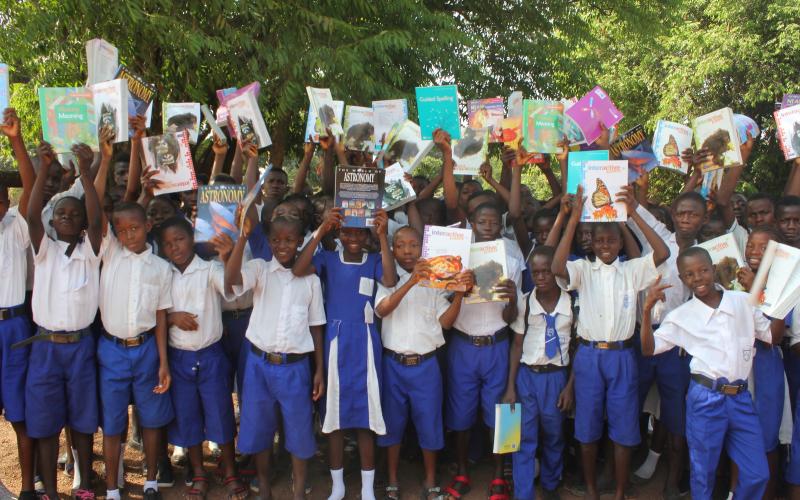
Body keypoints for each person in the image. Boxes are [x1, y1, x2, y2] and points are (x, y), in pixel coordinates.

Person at [552, 185, 670, 500]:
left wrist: (632, 214)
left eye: (611, 240)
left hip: (622, 355)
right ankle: (592, 490)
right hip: (589, 355)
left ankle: (619, 493)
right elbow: (556, 267)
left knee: (624, 428)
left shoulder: (631, 270)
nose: (605, 245)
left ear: (620, 242)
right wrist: (573, 220)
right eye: (599, 240)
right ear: (591, 243)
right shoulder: (582, 269)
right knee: (587, 428)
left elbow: (662, 253)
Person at [640, 247, 784, 500]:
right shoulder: (681, 316)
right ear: (682, 279)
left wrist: (777, 303)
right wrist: (646, 310)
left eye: (703, 270)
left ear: (713, 269)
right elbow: (649, 349)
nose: (698, 278)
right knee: (702, 473)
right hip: (706, 398)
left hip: (740, 397)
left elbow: (773, 337)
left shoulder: (743, 301)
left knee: (757, 473)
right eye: (689, 274)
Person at [292, 206, 397, 500]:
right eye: (347, 232)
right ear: (338, 233)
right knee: (335, 419)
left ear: (367, 235)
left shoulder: (374, 260)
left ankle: (367, 488)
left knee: (366, 418)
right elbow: (298, 269)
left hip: (365, 342)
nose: (353, 238)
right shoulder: (328, 258)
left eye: (359, 233)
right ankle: (337, 486)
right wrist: (321, 230)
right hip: (335, 341)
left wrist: (383, 236)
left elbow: (390, 280)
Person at [222, 214, 325, 500]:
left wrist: (319, 369)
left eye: (289, 240)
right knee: (259, 428)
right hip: (259, 364)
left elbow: (316, 326)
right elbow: (231, 280)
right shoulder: (260, 269)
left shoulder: (311, 281)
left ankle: (298, 491)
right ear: (268, 242)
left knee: (299, 430)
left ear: (300, 241)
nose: (282, 245)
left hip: (295, 368)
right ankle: (264, 488)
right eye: (276, 240)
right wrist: (243, 237)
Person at [25, 142, 103, 500]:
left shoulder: (91, 251)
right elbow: (31, 215)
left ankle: (84, 485)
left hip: (80, 346)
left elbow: (97, 219)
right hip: (46, 348)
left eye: (74, 213)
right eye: (61, 214)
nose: (68, 217)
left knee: (83, 421)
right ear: (52, 221)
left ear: (83, 221)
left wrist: (86, 172)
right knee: (45, 423)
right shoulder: (44, 250)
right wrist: (43, 168)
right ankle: (51, 492)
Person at [374, 226, 472, 500]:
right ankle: (393, 480)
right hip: (393, 363)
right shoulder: (388, 278)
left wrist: (460, 293)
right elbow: (382, 309)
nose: (407, 251)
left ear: (423, 249)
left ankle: (430, 480)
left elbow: (447, 323)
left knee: (429, 422)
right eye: (400, 245)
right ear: (392, 250)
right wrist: (410, 282)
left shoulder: (436, 282)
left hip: (426, 365)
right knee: (392, 424)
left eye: (414, 245)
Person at [157, 216, 246, 500]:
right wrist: (172, 317)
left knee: (220, 412)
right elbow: (154, 313)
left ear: (192, 239)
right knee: (188, 416)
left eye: (180, 239)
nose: (175, 247)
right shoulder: (164, 274)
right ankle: (198, 472)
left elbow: (232, 288)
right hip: (179, 357)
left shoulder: (210, 269)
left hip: (211, 355)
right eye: (168, 244)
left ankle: (230, 470)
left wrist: (227, 257)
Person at [443, 202, 524, 500]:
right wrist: (459, 289)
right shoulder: (457, 258)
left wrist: (512, 299)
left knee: (502, 414)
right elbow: (443, 303)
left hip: (497, 345)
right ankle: (462, 472)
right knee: (460, 414)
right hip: (463, 344)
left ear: (501, 225)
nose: (488, 227)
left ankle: (499, 476)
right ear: (471, 224)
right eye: (482, 221)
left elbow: (511, 319)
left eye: (493, 222)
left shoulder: (511, 260)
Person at [98, 201, 174, 500]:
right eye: (122, 230)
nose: (129, 235)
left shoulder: (161, 268)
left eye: (135, 228)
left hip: (146, 350)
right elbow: (97, 211)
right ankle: (112, 488)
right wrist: (94, 172)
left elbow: (160, 317)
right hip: (112, 349)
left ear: (148, 226)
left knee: (151, 417)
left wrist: (163, 362)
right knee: (113, 421)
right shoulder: (111, 253)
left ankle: (151, 480)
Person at [502, 245, 575, 500]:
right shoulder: (524, 302)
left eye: (547, 271)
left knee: (554, 435)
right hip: (527, 377)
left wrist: (570, 387)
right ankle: (523, 493)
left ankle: (551, 484)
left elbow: (577, 348)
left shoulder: (572, 303)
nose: (541, 277)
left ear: (556, 271)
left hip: (556, 378)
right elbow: (516, 345)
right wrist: (510, 387)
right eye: (536, 272)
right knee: (522, 437)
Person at [0, 107, 36, 499]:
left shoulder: (14, 225)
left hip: (13, 327)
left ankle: (27, 487)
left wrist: (16, 141)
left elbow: (30, 187)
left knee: (20, 413)